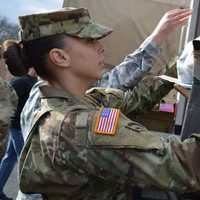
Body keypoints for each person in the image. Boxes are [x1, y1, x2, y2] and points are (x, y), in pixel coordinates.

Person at [7, 7, 200, 199]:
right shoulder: (78, 127)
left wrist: (180, 68)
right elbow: (185, 164)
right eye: (89, 40)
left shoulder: (57, 97)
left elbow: (131, 99)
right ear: (60, 57)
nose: (100, 47)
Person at [0, 40, 38, 200]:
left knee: (10, 158)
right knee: (25, 161)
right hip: (16, 127)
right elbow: (7, 100)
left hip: (19, 127)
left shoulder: (33, 82)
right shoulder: (21, 81)